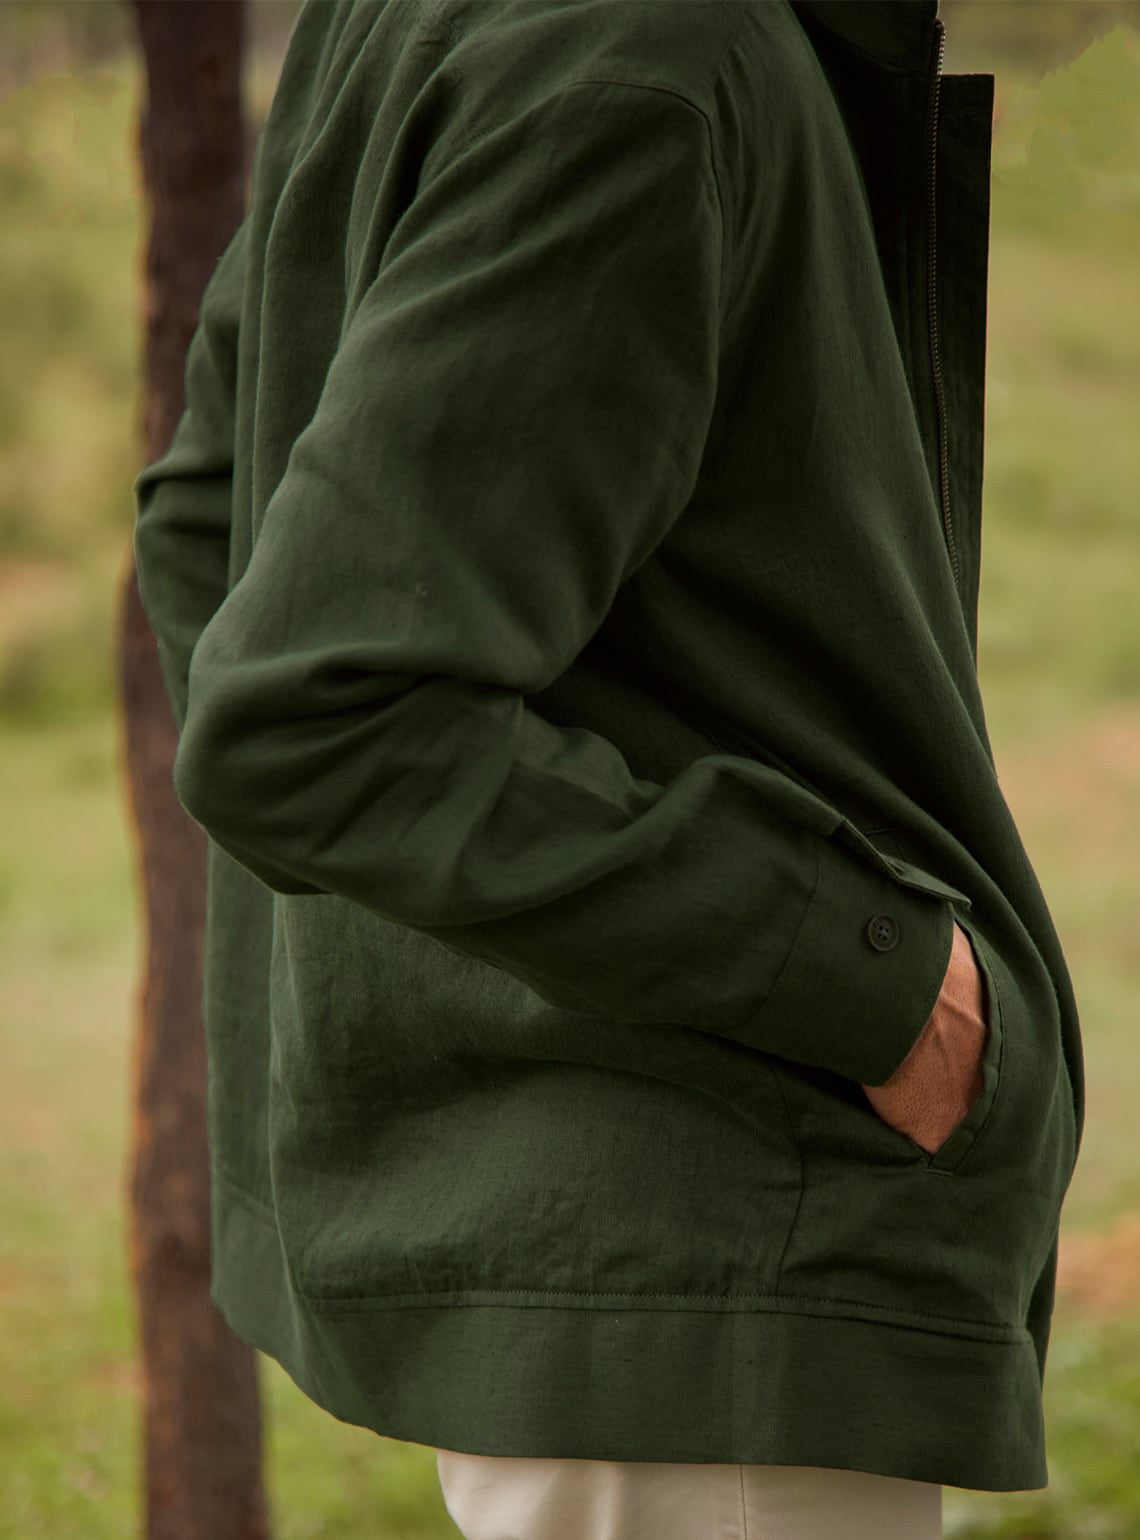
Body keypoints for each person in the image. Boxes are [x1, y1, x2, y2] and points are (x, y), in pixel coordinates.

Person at [133, 0, 1083, 1534]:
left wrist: (443, 944)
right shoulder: (648, 52)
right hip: (716, 1262)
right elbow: (314, 715)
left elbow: (210, 522)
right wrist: (874, 980)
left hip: (644, 1257)